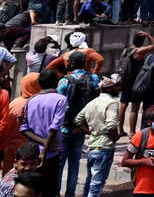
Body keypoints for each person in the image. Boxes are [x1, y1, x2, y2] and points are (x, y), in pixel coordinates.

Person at [56, 51, 100, 197]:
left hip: (64, 128)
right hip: (81, 128)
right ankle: (70, 193)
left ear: (73, 63)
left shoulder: (65, 80)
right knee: (74, 163)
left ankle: (56, 192)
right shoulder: (93, 78)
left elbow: (59, 102)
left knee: (60, 164)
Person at [74, 74, 121, 197]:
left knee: (90, 182)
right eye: (116, 86)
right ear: (110, 88)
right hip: (104, 147)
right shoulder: (112, 103)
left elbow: (78, 120)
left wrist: (90, 132)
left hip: (92, 146)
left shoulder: (92, 102)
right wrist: (115, 136)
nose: (119, 89)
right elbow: (111, 125)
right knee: (96, 185)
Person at [20, 70, 66, 197]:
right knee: (50, 189)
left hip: (34, 153)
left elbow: (24, 129)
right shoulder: (60, 99)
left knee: (35, 189)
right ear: (56, 83)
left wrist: (42, 143)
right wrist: (44, 150)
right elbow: (54, 126)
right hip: (51, 152)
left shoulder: (30, 100)